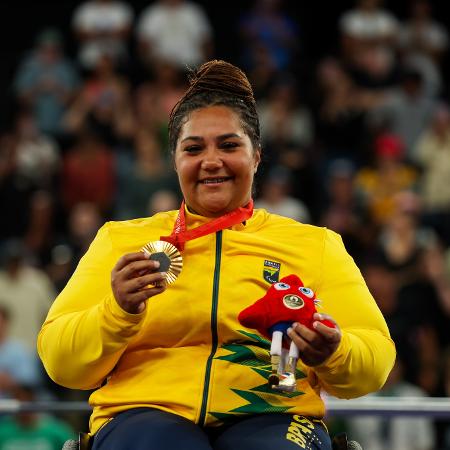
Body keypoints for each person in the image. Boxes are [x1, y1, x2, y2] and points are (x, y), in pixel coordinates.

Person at [38, 60, 395, 450]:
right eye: (193, 148)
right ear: (174, 160)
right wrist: (116, 312)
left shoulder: (315, 245)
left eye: (229, 145)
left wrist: (335, 351)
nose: (211, 161)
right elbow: (60, 362)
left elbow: (375, 360)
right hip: (143, 411)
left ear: (256, 157)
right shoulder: (119, 240)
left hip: (276, 413)